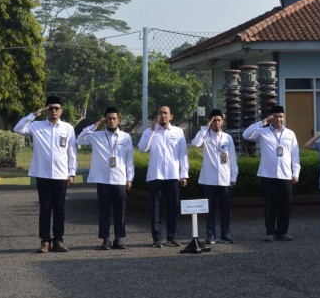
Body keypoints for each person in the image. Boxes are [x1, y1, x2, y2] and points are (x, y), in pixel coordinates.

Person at [14, 95, 78, 253]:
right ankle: (45, 241)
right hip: (42, 174)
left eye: (56, 108)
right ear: (46, 110)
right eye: (50, 108)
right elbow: (18, 128)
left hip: (61, 174)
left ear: (61, 111)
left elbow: (72, 152)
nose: (53, 111)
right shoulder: (37, 126)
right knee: (45, 208)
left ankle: (58, 240)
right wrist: (35, 114)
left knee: (60, 208)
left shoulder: (67, 128)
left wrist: (71, 172)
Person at [76, 106, 135, 250]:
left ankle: (119, 238)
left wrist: (130, 178)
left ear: (118, 120)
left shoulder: (126, 137)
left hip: (120, 179)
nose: (112, 121)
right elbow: (79, 139)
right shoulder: (96, 136)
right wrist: (96, 124)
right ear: (105, 120)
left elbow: (129, 159)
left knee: (120, 210)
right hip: (103, 180)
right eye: (108, 118)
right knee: (104, 211)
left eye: (114, 118)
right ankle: (106, 239)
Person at [242, 104, 300, 242]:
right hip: (268, 174)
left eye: (281, 116)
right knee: (270, 205)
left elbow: (295, 155)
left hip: (285, 175)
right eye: (275, 116)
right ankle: (270, 232)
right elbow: (246, 135)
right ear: (271, 117)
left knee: (285, 205)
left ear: (284, 117)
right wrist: (262, 122)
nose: (278, 119)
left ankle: (283, 232)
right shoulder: (262, 131)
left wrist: (296, 172)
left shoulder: (290, 134)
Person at [138, 105, 189, 247]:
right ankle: (157, 239)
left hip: (173, 175)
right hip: (156, 175)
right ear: (156, 117)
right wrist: (151, 132)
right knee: (155, 209)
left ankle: (172, 237)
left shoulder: (178, 132)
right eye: (160, 113)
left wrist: (184, 174)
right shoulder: (149, 131)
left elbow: (183, 154)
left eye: (165, 113)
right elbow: (142, 148)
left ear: (171, 116)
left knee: (172, 208)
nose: (163, 115)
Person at [190, 108, 238, 244]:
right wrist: (205, 127)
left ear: (222, 122)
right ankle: (210, 235)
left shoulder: (228, 138)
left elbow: (232, 158)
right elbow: (195, 143)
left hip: (225, 179)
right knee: (209, 209)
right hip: (209, 179)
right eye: (213, 120)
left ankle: (226, 234)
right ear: (210, 122)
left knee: (226, 209)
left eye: (218, 120)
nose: (216, 123)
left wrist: (234, 176)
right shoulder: (205, 136)